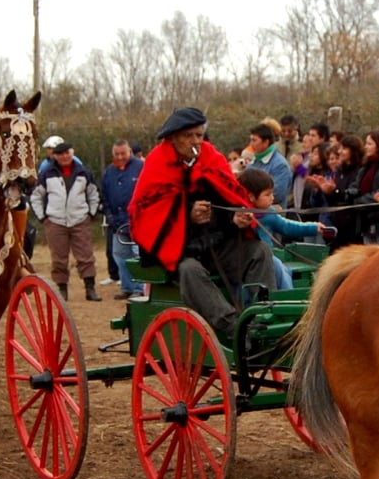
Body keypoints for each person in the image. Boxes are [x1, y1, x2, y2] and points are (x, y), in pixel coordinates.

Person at [129, 107, 273, 339]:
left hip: (214, 243)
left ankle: (264, 317)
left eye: (199, 135)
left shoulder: (210, 156)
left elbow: (229, 195)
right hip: (177, 251)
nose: (195, 141)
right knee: (189, 271)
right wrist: (187, 213)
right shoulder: (158, 161)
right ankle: (232, 327)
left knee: (258, 251)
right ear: (174, 138)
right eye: (189, 136)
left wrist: (234, 217)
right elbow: (147, 212)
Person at [236, 166, 334, 290]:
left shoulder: (269, 214)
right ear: (251, 196)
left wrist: (313, 227)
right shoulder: (239, 216)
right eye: (267, 194)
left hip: (269, 257)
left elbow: (287, 226)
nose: (272, 197)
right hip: (248, 260)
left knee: (283, 269)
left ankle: (287, 297)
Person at [30, 140, 103, 301]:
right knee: (58, 258)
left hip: (79, 219)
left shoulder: (84, 172)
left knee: (86, 255)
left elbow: (93, 194)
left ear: (72, 152)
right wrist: (43, 217)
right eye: (60, 154)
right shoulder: (47, 174)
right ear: (55, 156)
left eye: (67, 153)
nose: (64, 156)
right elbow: (36, 196)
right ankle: (62, 289)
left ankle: (90, 288)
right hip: (55, 221)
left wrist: (90, 214)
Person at [99, 138, 145, 298]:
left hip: (138, 222)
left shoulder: (141, 168)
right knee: (119, 255)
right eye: (117, 154)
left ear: (129, 152)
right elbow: (104, 195)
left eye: (123, 153)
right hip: (117, 223)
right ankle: (127, 287)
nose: (120, 157)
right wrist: (109, 215)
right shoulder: (109, 172)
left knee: (137, 255)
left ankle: (140, 289)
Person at [245, 123, 292, 201]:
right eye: (251, 140)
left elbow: (277, 195)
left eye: (254, 140)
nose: (251, 144)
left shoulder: (280, 165)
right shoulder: (253, 162)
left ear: (266, 142)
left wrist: (252, 197)